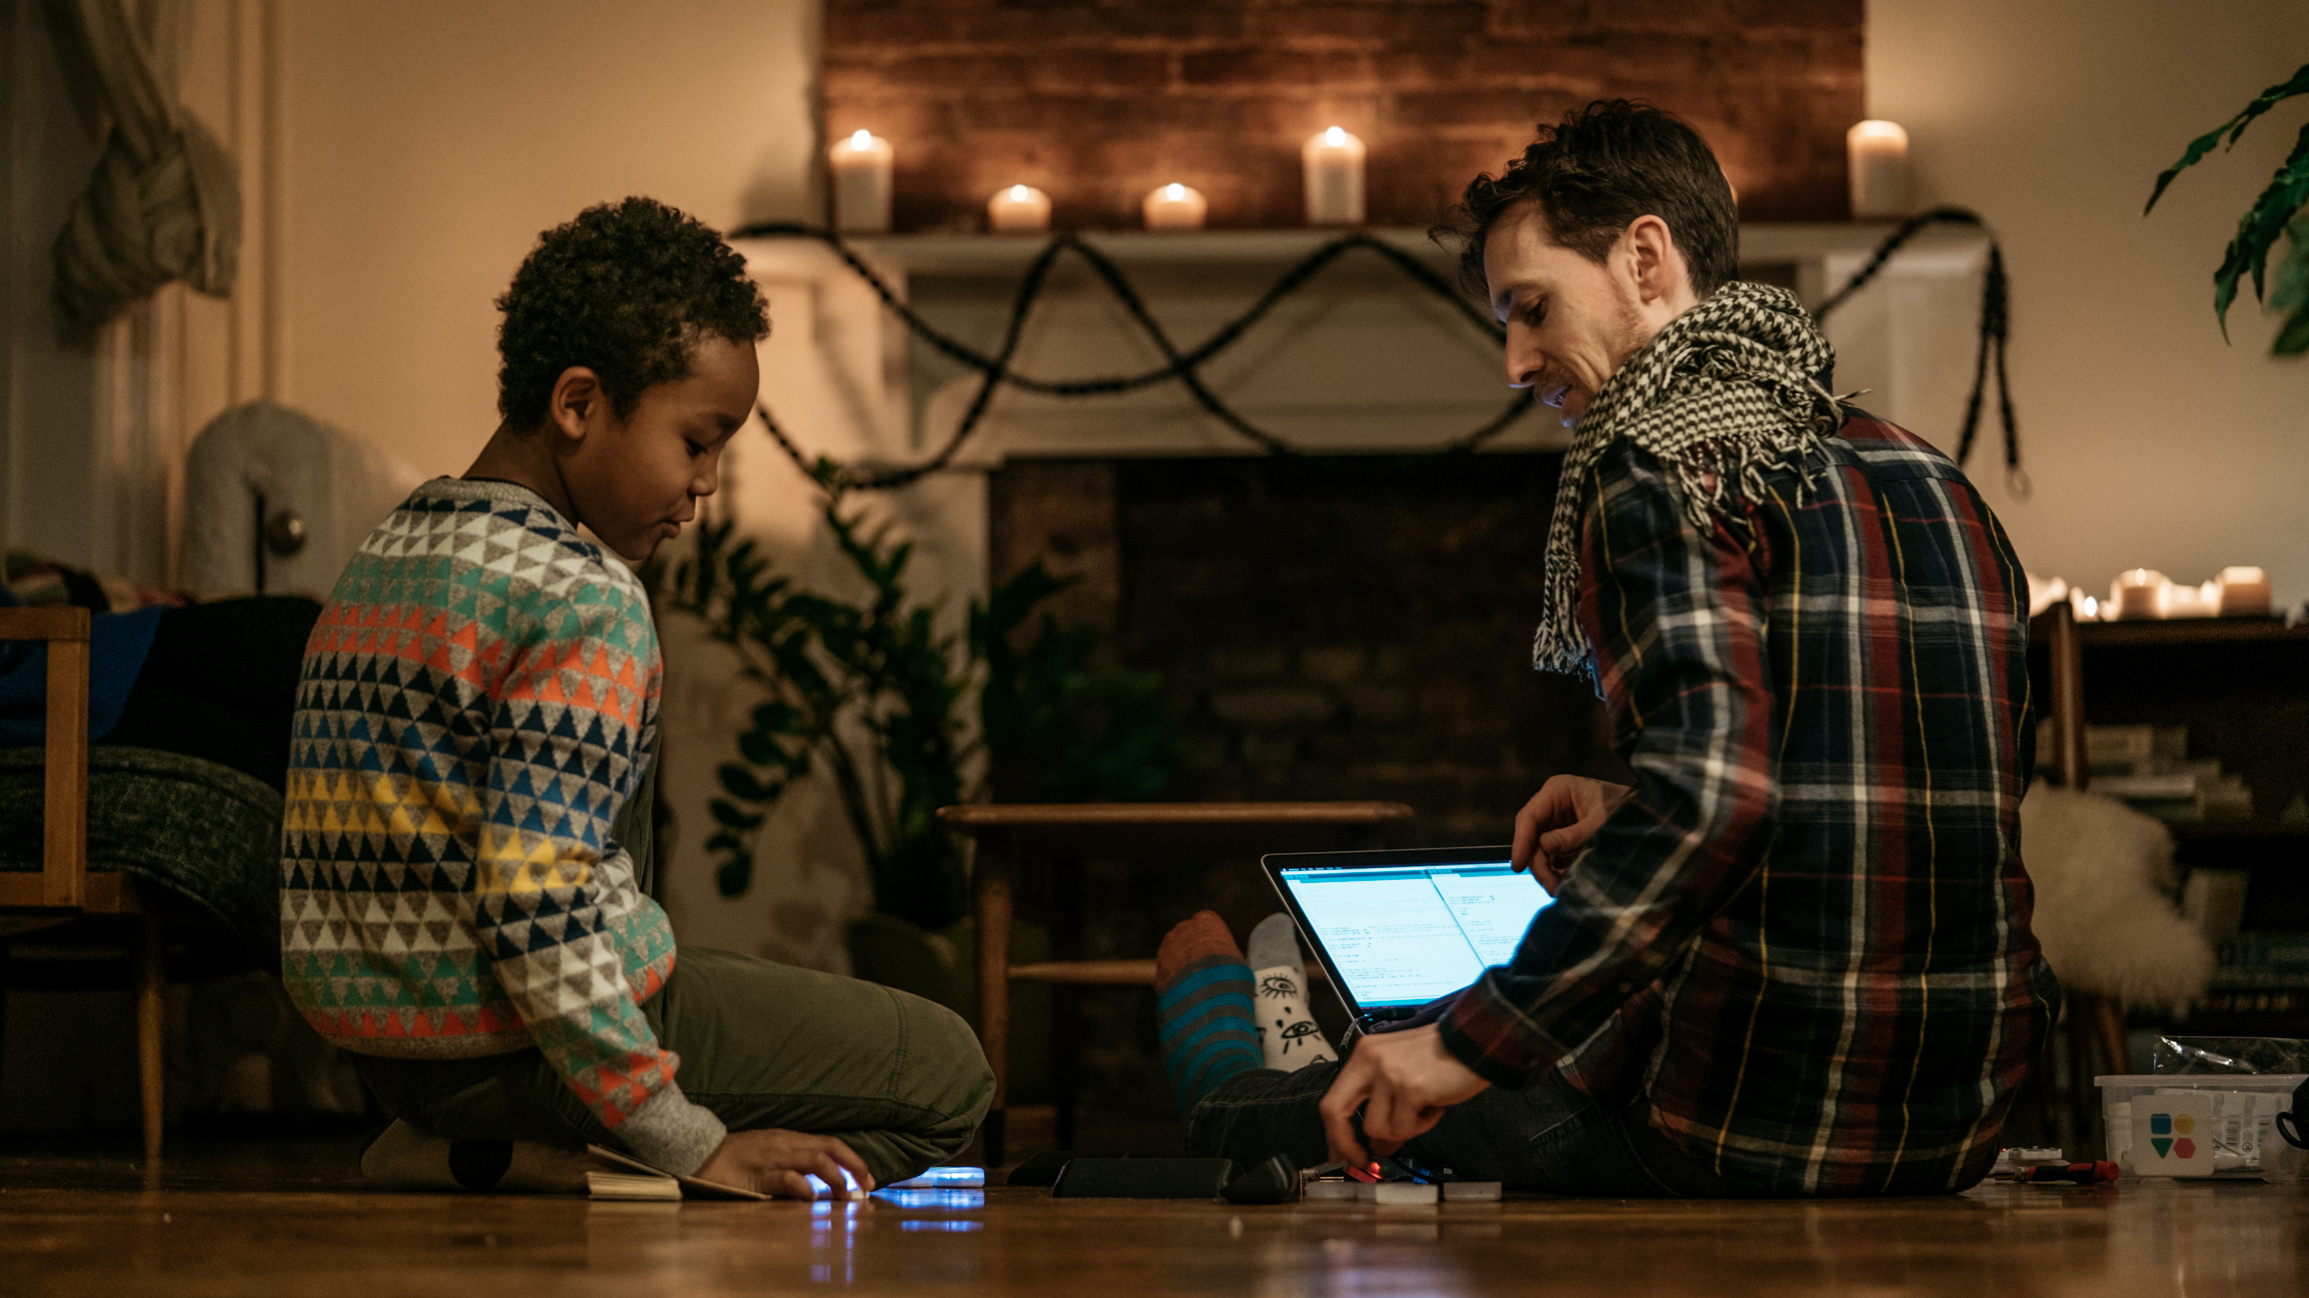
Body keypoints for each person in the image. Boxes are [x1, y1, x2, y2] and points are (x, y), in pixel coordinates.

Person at [1158, 101, 2057, 1198]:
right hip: (1956, 1125)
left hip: (1735, 1125)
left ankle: (1275, 1043)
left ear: (1643, 256)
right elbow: (1896, 795)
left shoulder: (1655, 463)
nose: (1513, 361)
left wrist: (1462, 1046)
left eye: (1528, 308)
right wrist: (1633, 809)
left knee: (1269, 1111)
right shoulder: (1929, 473)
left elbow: (1715, 800)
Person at [280, 197, 992, 1199]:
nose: (704, 483)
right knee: (949, 1073)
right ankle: (626, 1164)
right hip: (518, 1039)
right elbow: (538, 900)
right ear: (579, 403)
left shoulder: (388, 550)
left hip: (392, 1056)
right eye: (698, 440)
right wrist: (685, 1135)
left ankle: (466, 1152)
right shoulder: (583, 593)